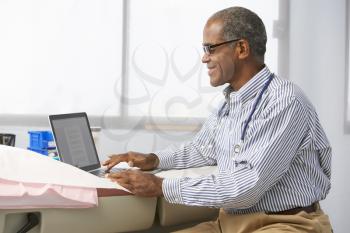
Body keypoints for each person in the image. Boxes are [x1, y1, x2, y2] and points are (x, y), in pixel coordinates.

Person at [103, 6, 333, 233]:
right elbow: (203, 149)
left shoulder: (284, 101)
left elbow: (245, 188)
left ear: (241, 48)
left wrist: (161, 186)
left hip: (287, 224)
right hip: (229, 224)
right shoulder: (230, 103)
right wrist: (153, 160)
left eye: (210, 48)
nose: (204, 58)